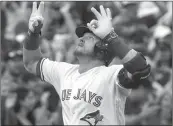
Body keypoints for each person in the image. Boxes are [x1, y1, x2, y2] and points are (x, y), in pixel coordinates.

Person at [23, 2, 150, 125]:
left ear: (102, 51)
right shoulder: (64, 71)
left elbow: (141, 69)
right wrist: (33, 34)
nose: (81, 38)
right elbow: (31, 62)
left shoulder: (111, 74)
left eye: (90, 38)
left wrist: (111, 37)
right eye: (82, 36)